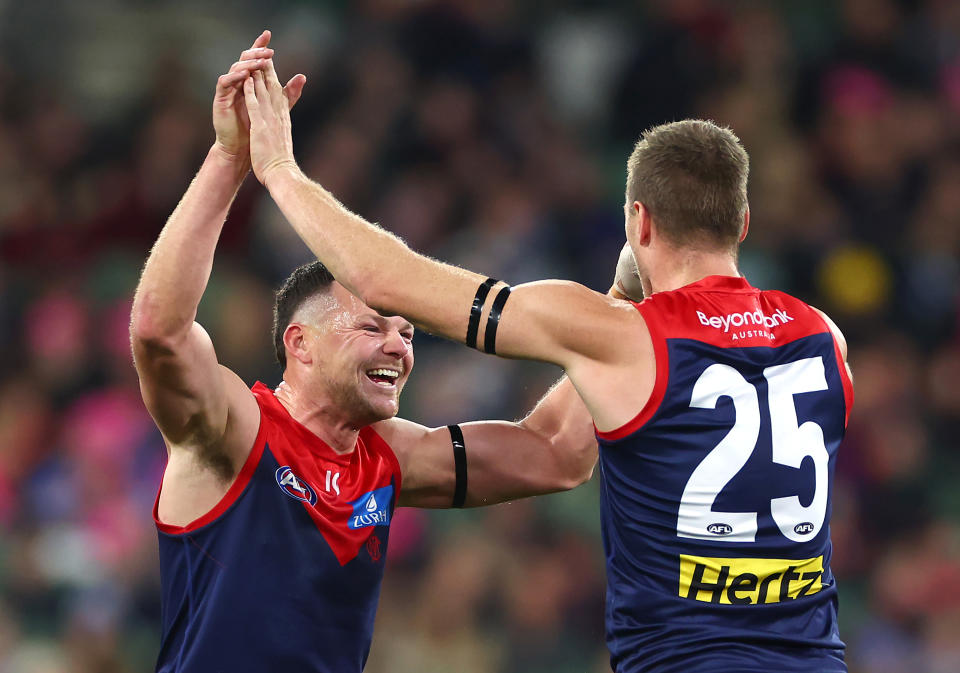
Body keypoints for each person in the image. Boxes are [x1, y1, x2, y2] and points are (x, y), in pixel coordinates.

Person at [243, 48, 855, 673]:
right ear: (744, 223)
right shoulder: (826, 338)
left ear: (638, 222)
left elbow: (386, 280)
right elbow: (564, 451)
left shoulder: (623, 336)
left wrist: (277, 166)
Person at [130, 32, 597, 673]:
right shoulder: (234, 432)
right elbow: (159, 330)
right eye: (373, 326)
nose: (398, 347)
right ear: (301, 344)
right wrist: (228, 158)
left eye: (407, 333)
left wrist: (617, 316)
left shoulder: (390, 458)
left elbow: (554, 457)